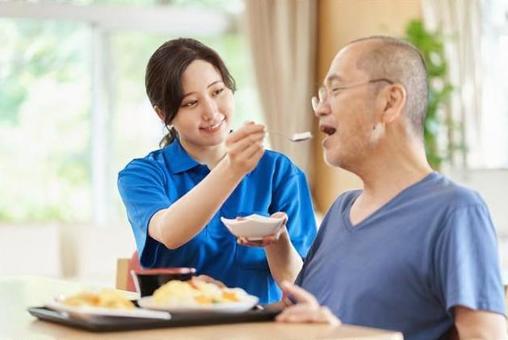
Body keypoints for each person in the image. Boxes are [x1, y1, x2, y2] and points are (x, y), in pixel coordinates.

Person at [276, 36, 507, 339]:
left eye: (336, 89)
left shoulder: (455, 211)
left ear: (390, 102)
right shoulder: (339, 211)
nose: (321, 108)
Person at [117, 38, 317, 304]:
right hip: (175, 328)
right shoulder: (143, 175)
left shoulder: (279, 172)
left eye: (217, 92)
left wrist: (277, 241)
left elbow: (300, 284)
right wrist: (232, 168)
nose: (211, 112)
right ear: (164, 113)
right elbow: (170, 232)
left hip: (259, 330)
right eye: (191, 103)